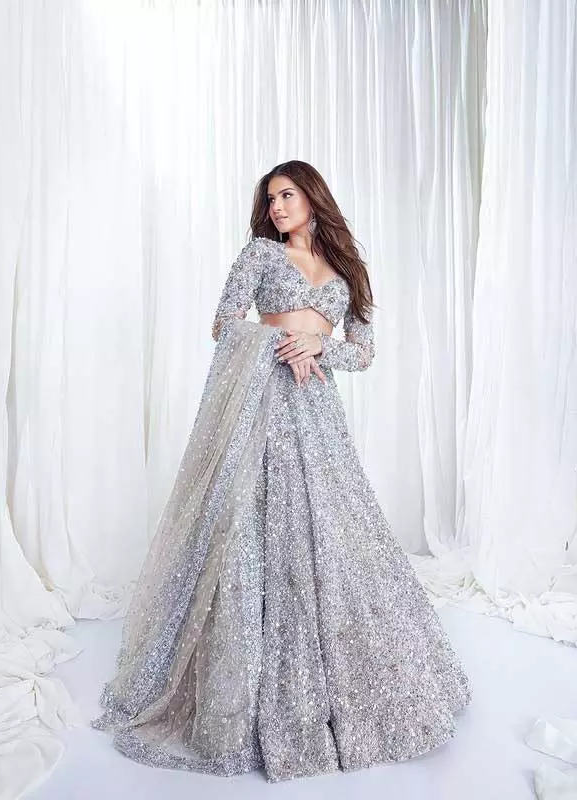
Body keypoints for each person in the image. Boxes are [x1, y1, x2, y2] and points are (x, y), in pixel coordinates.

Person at [92, 160, 471, 783]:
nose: (277, 208)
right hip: (261, 404)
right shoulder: (261, 257)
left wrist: (322, 345)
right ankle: (242, 677)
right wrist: (276, 342)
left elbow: (363, 352)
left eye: (287, 195)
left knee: (332, 533)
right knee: (247, 531)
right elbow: (224, 325)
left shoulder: (347, 271)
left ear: (314, 197)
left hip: (316, 411)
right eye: (270, 199)